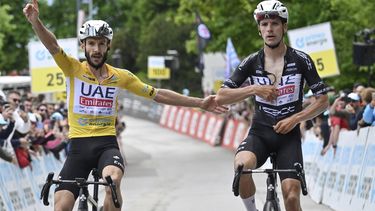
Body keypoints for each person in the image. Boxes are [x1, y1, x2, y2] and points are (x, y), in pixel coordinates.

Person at [23, 1, 227, 210]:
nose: (96, 49)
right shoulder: (73, 68)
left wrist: (200, 102)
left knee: (113, 182)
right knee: (62, 206)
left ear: (108, 46)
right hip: (78, 147)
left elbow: (157, 94)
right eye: (91, 43)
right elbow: (53, 45)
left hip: (106, 145)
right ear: (83, 45)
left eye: (102, 43)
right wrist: (35, 21)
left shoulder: (120, 76)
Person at [215, 1, 329, 211]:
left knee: (292, 198)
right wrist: (254, 89)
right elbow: (221, 96)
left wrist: (296, 119)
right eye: (265, 24)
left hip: (289, 137)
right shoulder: (251, 62)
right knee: (241, 168)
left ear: (284, 27)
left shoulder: (302, 60)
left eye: (275, 23)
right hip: (260, 133)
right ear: (259, 29)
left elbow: (323, 100)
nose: (269, 29)